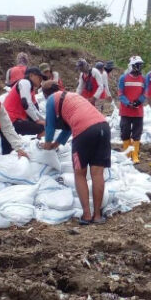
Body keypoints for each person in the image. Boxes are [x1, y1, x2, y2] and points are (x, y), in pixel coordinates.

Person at [40, 81, 111, 224]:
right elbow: (67, 129)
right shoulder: (72, 98)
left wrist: (47, 144)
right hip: (103, 127)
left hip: (84, 131)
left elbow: (50, 126)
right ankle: (97, 216)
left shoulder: (51, 100)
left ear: (45, 94)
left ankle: (86, 215)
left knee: (80, 173)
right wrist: (56, 144)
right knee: (97, 173)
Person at [2, 67, 46, 154]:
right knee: (42, 128)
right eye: (39, 78)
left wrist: (43, 120)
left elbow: (33, 108)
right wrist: (38, 121)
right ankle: (37, 150)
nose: (41, 81)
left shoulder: (29, 88)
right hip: (12, 120)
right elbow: (26, 104)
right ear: (31, 75)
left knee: (7, 152)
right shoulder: (25, 82)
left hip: (5, 121)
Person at [118, 56, 147, 163]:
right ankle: (127, 154)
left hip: (138, 112)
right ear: (133, 66)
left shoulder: (143, 79)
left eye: (140, 65)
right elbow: (120, 94)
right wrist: (128, 103)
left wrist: (139, 101)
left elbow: (145, 92)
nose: (140, 67)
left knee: (137, 134)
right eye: (138, 65)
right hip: (126, 111)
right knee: (125, 132)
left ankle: (135, 155)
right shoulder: (123, 78)